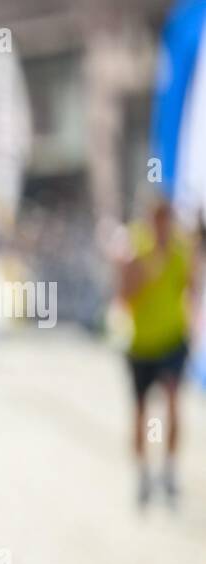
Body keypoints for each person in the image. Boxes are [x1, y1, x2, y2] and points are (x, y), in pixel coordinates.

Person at [116, 197, 199, 508]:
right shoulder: (134, 249)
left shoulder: (181, 250)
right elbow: (123, 297)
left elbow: (191, 289)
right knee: (141, 413)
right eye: (157, 220)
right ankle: (143, 474)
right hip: (140, 344)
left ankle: (170, 470)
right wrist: (145, 272)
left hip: (172, 341)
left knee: (174, 402)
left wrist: (191, 323)